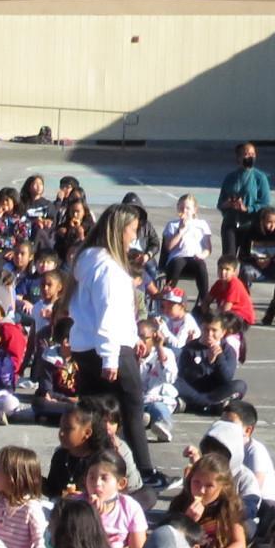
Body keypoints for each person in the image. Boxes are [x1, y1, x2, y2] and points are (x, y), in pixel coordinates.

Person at [70, 204, 160, 486]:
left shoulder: (88, 259)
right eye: (132, 230)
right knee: (132, 405)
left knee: (94, 411)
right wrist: (110, 356)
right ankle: (143, 470)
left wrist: (133, 338)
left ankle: (85, 466)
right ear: (119, 230)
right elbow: (109, 311)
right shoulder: (108, 267)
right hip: (109, 348)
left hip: (87, 345)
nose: (135, 236)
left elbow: (111, 312)